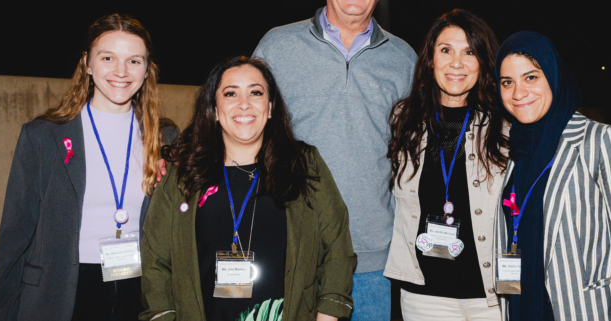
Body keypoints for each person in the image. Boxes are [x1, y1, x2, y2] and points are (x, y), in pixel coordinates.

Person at [0, 14, 178, 321]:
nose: (120, 71)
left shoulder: (166, 138)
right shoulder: (43, 136)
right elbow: (14, 238)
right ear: (88, 63)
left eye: (133, 61)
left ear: (147, 70)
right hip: (61, 291)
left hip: (138, 290)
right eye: (108, 58)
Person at [140, 57, 356, 321]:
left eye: (256, 92)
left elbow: (337, 249)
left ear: (270, 108)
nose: (244, 103)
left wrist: (329, 314)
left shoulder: (304, 164)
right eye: (231, 93)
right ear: (215, 110)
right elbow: (156, 262)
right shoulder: (182, 174)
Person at [251, 2, 416, 318]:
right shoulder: (277, 45)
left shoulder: (403, 58)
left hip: (371, 259)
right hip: (293, 250)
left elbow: (418, 147)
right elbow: (239, 118)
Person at [493, 31, 611, 320]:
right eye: (507, 82)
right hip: (520, 305)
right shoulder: (512, 149)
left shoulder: (602, 140)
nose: (518, 93)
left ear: (554, 76)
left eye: (531, 77)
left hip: (583, 309)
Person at [383, 9, 509, 321]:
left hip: (492, 297)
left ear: (483, 61)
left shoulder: (506, 125)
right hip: (423, 297)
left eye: (469, 52)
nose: (456, 63)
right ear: (430, 59)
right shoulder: (403, 120)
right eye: (446, 50)